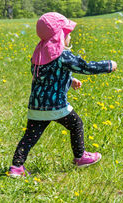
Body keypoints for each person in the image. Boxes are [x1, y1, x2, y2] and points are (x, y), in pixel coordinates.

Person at [8, 12, 117, 177]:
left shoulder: (38, 55)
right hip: (56, 105)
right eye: (68, 34)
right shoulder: (63, 55)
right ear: (60, 36)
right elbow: (85, 67)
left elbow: (46, 76)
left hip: (37, 106)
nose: (70, 38)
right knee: (76, 124)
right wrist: (108, 65)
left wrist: (69, 80)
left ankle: (16, 168)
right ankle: (80, 157)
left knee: (29, 137)